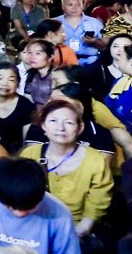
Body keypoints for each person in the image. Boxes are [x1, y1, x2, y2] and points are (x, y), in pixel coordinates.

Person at [18, 98, 114, 241]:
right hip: (31, 224)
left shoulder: (95, 161)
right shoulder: (29, 155)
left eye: (68, 122)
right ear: (43, 125)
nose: (60, 128)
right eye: (53, 121)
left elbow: (96, 207)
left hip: (74, 228)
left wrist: (75, 233)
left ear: (80, 127)